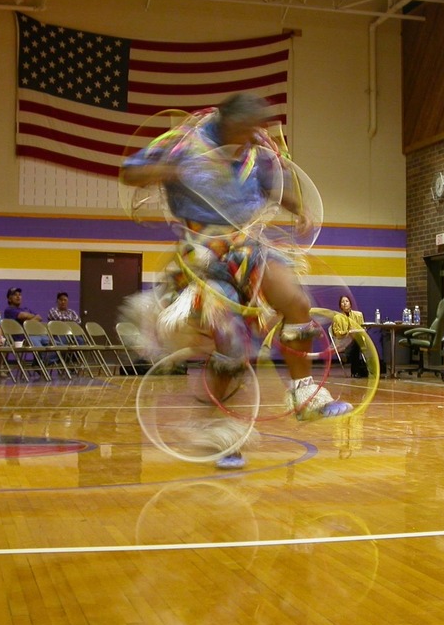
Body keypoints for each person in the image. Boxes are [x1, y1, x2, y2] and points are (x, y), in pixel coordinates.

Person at [121, 92, 351, 469]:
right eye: (244, 130)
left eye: (254, 131)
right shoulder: (186, 143)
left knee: (296, 302)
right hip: (204, 255)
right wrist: (166, 171)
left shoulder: (255, 149)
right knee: (231, 342)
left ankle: (304, 395)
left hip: (251, 245)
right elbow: (129, 171)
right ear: (225, 121)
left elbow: (275, 188)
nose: (251, 138)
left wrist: (301, 209)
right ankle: (222, 433)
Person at [331, 295, 368, 378]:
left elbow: (363, 328)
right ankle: (355, 372)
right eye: (342, 302)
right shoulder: (337, 318)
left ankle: (347, 356)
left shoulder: (358, 315)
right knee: (355, 344)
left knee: (356, 340)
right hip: (344, 341)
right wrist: (347, 332)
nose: (345, 303)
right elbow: (336, 333)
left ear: (350, 303)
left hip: (358, 340)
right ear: (340, 306)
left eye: (346, 301)